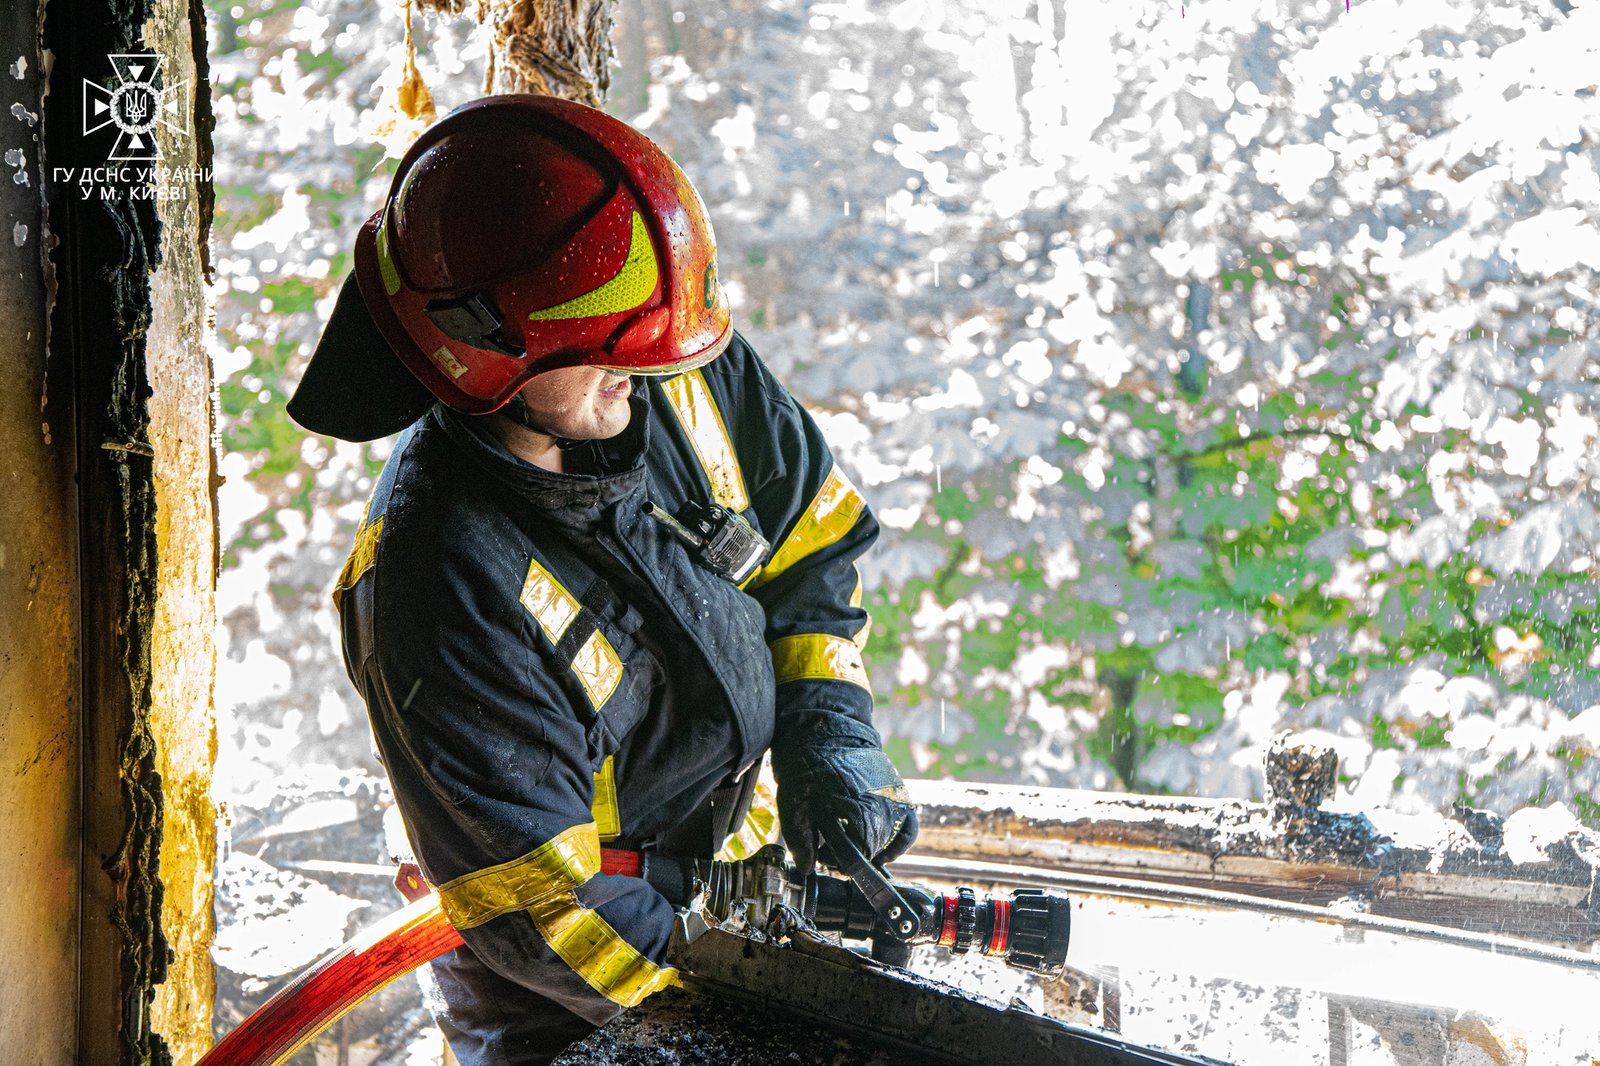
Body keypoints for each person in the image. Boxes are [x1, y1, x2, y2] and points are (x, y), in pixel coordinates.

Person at [286, 94, 918, 1065]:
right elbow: (546, 908)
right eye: (609, 357)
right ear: (483, 353)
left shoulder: (665, 352)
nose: (647, 379)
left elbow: (808, 550)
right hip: (573, 1001)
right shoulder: (436, 584)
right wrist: (734, 1016)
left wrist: (829, 736)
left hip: (738, 899)